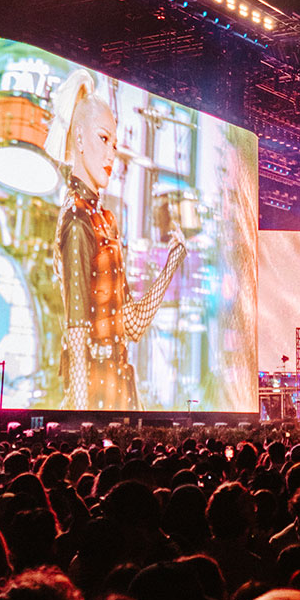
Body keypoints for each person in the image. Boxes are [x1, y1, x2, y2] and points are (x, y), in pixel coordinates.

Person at [45, 69, 186, 410]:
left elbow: (132, 325)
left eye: (115, 144)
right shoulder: (77, 220)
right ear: (78, 139)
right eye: (103, 139)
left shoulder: (103, 218)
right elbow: (77, 332)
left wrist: (173, 262)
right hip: (96, 392)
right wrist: (80, 420)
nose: (111, 156)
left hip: (119, 384)